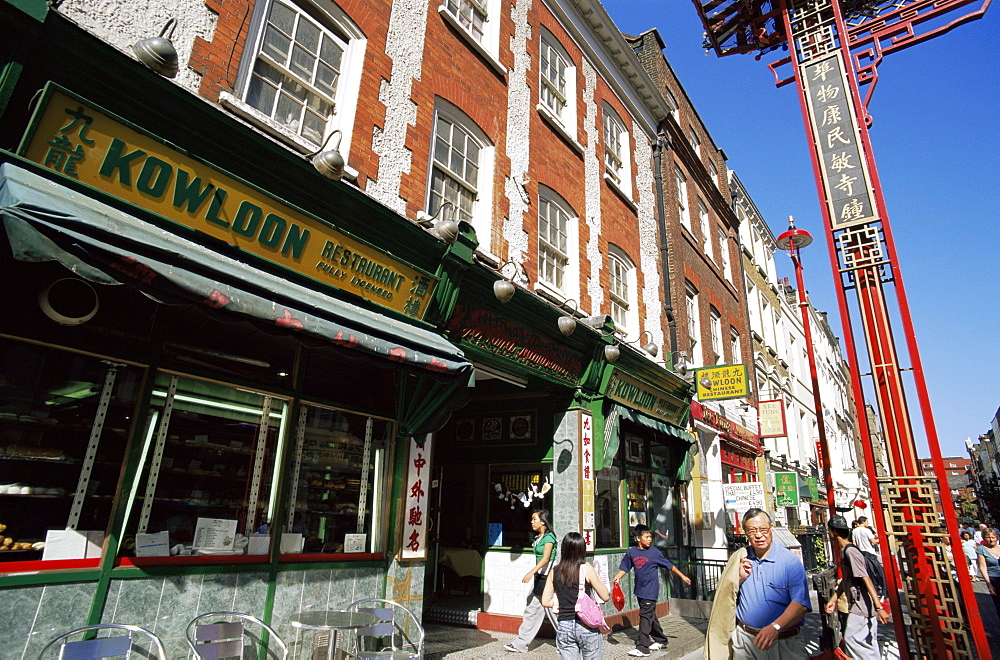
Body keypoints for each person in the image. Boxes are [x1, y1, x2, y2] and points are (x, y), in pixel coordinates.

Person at [732, 508, 811, 658]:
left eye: (763, 529)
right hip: (746, 641)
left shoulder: (789, 561)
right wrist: (739, 577)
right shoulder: (740, 558)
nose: (759, 535)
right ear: (746, 533)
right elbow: (725, 593)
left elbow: (800, 604)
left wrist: (776, 627)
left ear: (771, 528)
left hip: (783, 641)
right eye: (752, 531)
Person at [612, 524, 691, 657]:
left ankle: (642, 647)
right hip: (639, 590)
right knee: (650, 616)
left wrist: (682, 576)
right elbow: (625, 567)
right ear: (638, 538)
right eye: (646, 537)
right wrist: (618, 577)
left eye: (650, 537)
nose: (649, 539)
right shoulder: (632, 552)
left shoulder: (654, 552)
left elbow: (669, 566)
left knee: (645, 617)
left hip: (650, 590)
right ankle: (661, 639)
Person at [825, 515, 890, 660]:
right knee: (866, 643)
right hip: (859, 602)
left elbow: (865, 578)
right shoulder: (845, 551)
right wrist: (834, 599)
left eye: (829, 530)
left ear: (834, 532)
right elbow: (847, 579)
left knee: (853, 640)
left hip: (862, 604)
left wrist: (879, 607)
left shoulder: (850, 552)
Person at [541, 532, 610, 660]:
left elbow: (545, 601)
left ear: (564, 550)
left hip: (564, 626)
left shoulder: (554, 571)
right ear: (582, 550)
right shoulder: (586, 568)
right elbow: (605, 596)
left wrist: (561, 603)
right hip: (586, 625)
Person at [505, 510, 558, 653]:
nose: (532, 522)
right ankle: (568, 642)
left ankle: (521, 644)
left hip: (547, 578)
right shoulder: (538, 537)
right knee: (543, 610)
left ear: (543, 521)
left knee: (539, 610)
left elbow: (546, 558)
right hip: (540, 577)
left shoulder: (549, 538)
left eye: (534, 519)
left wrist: (530, 573)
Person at [976, 528, 1000, 613]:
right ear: (984, 538)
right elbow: (983, 567)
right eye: (988, 537)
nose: (991, 539)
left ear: (997, 538)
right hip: (994, 578)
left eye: (993, 537)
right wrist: (989, 584)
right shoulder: (981, 549)